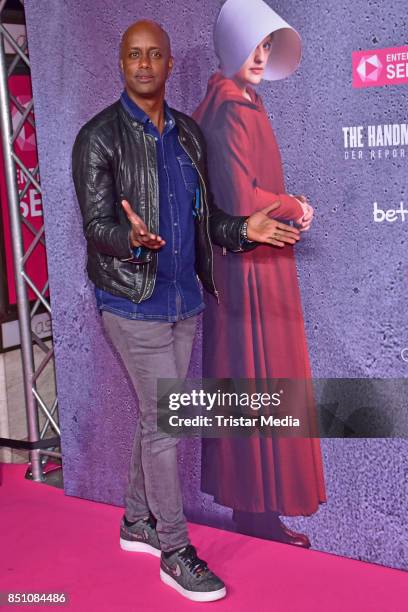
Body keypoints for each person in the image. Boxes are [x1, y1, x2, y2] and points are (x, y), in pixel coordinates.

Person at [72, 19, 301, 603]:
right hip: (131, 299)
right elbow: (97, 228)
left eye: (154, 55)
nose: (143, 64)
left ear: (171, 65)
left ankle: (135, 521)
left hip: (185, 299)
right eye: (133, 56)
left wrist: (243, 228)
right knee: (164, 422)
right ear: (120, 65)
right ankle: (174, 550)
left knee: (156, 417)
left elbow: (209, 223)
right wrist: (130, 237)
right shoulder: (97, 138)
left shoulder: (191, 137)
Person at [193, 0, 327, 546]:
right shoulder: (229, 109)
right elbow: (241, 198)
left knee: (259, 383)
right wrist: (294, 207)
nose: (260, 54)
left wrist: (285, 206)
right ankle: (257, 511)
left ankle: (258, 510)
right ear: (231, 45)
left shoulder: (241, 103)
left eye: (266, 45)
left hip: (258, 265)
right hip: (250, 271)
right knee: (257, 379)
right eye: (253, 42)